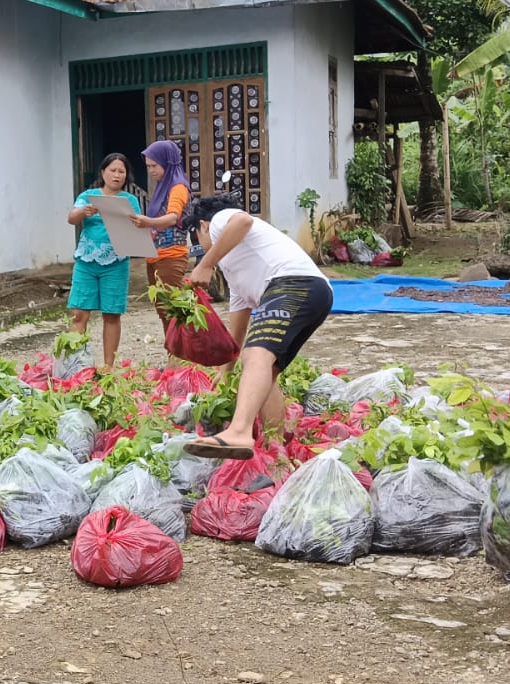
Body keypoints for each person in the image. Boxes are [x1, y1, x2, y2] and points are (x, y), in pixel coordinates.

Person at [179, 192, 331, 459]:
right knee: (265, 370)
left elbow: (242, 222)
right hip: (310, 293)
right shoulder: (235, 270)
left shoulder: (219, 220)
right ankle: (276, 451)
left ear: (202, 226)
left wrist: (205, 264)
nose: (201, 244)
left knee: (256, 355)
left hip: (293, 284)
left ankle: (239, 431)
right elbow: (238, 326)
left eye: (196, 237)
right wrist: (225, 370)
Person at [66, 153, 142, 369]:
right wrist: (83, 211)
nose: (117, 175)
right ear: (103, 172)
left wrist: (133, 222)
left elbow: (137, 228)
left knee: (111, 314)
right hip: (86, 262)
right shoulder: (88, 196)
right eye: (113, 170)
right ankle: (75, 365)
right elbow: (71, 218)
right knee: (79, 313)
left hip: (116, 263)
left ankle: (109, 367)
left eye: (121, 171)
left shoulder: (130, 201)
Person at [129, 140, 191, 291]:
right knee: (163, 309)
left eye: (154, 166)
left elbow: (173, 217)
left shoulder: (177, 187)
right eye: (148, 166)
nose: (151, 170)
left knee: (172, 308)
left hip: (171, 255)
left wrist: (148, 222)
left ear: (167, 163)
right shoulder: (163, 186)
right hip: (155, 256)